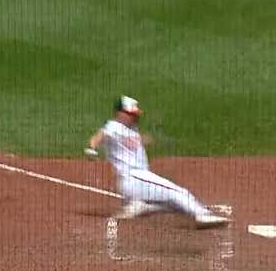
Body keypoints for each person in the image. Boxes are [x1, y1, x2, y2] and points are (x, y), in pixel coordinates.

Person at [85, 96, 229, 228]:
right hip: (133, 178)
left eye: (135, 114)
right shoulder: (113, 126)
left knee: (176, 206)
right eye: (130, 114)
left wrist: (144, 139)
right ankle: (202, 215)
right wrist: (92, 148)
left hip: (138, 181)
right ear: (120, 113)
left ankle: (140, 205)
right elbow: (99, 136)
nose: (134, 117)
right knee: (178, 192)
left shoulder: (132, 129)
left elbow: (129, 143)